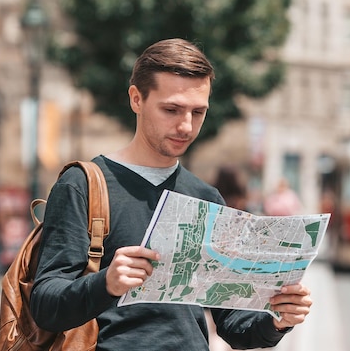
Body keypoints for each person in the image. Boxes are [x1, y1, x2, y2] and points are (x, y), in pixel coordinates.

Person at [30, 39, 312, 350]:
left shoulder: (207, 197)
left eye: (198, 112)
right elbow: (45, 306)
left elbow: (232, 323)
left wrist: (277, 319)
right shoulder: (81, 185)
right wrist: (105, 283)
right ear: (136, 99)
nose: (186, 126)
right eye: (171, 109)